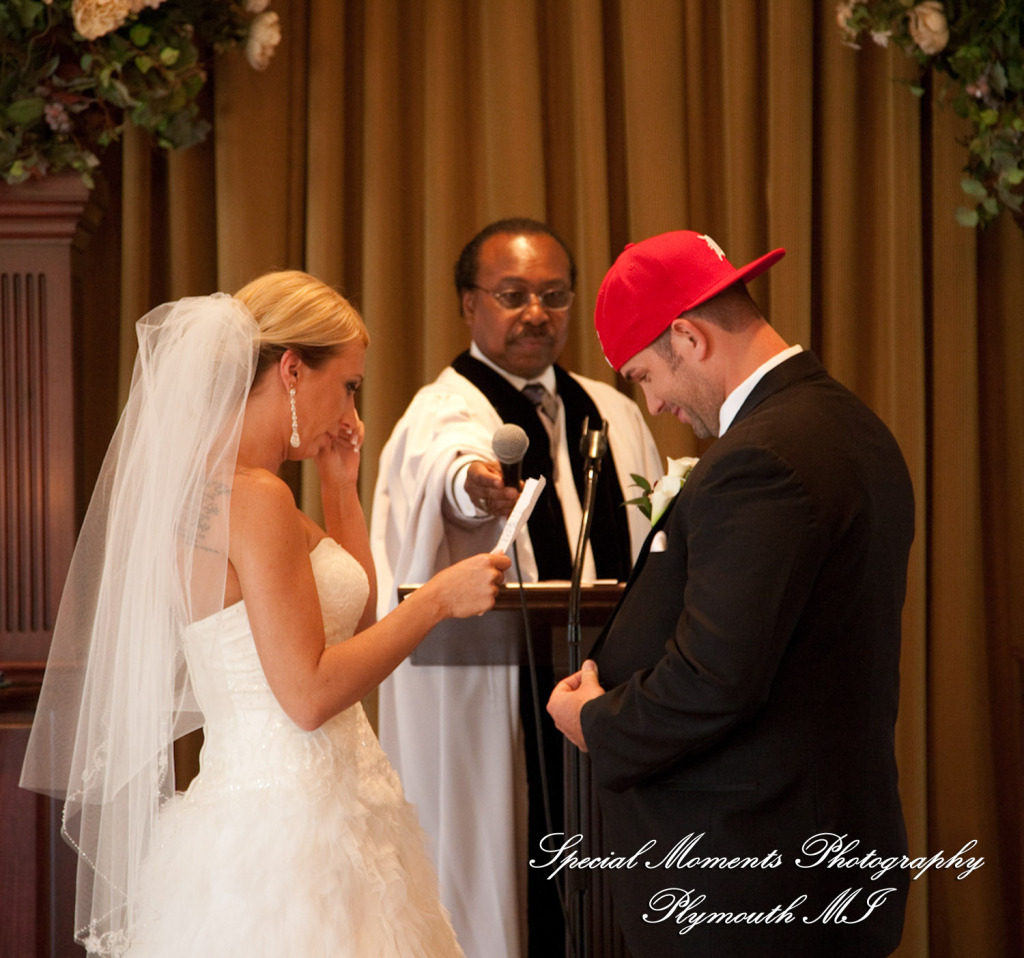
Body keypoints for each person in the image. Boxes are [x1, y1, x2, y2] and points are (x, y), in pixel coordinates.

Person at [20, 270, 511, 958]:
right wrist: (434, 602)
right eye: (346, 384)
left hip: (298, 805)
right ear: (290, 370)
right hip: (296, 830)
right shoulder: (254, 499)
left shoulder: (225, 490)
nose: (349, 408)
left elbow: (350, 627)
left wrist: (342, 489)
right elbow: (308, 695)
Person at [547, 230, 914, 957]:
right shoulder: (849, 425)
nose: (652, 405)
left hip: (753, 876)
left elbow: (715, 677)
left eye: (645, 375)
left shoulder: (761, 459)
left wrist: (597, 721)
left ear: (688, 336)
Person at [371, 219, 662, 957]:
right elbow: (451, 469)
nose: (536, 312)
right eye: (513, 295)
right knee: (510, 898)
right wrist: (478, 486)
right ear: (470, 305)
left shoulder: (613, 410)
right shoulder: (442, 410)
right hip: (493, 701)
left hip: (607, 693)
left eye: (554, 295)